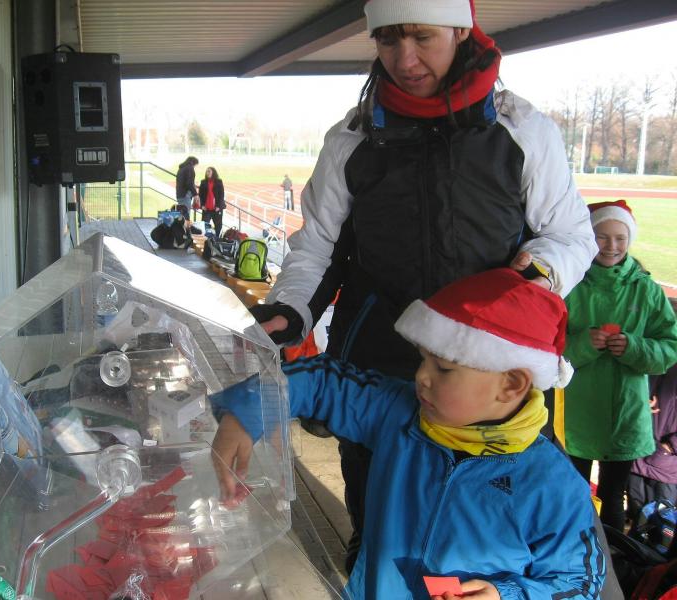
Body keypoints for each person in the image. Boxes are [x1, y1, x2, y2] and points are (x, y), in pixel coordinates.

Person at [250, 0, 597, 571]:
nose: (404, 59)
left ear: (461, 30)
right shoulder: (352, 138)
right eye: (388, 40)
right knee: (378, 532)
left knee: (492, 547)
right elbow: (317, 247)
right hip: (379, 370)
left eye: (421, 38)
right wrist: (290, 309)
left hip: (492, 381)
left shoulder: (522, 129)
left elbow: (571, 236)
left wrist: (532, 275)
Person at [212, 269, 605, 599]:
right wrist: (251, 409)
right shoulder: (397, 413)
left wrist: (506, 595)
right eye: (423, 360)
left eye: (444, 368)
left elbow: (580, 583)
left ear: (511, 384)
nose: (421, 376)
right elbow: (324, 382)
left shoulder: (553, 485)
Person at [563, 200, 677, 531]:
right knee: (574, 495)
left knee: (613, 497)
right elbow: (546, 348)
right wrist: (584, 344)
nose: (611, 245)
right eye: (601, 236)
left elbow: (669, 347)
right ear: (588, 237)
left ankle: (614, 555)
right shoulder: (570, 285)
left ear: (630, 240)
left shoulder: (647, 290)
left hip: (625, 415)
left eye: (620, 238)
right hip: (576, 415)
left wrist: (635, 347)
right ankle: (580, 554)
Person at [628, 352, 677, 517]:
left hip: (666, 466)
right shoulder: (653, 356)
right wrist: (640, 402)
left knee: (661, 523)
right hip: (637, 454)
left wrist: (670, 446)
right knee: (637, 520)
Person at [198, 167, 226, 238]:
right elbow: (200, 195)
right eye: (207, 171)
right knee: (204, 225)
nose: (207, 173)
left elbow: (221, 195)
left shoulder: (219, 181)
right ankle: (205, 240)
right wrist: (202, 205)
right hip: (206, 209)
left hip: (216, 209)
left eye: (209, 171)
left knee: (218, 226)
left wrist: (218, 206)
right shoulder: (203, 182)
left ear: (213, 172)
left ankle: (218, 240)